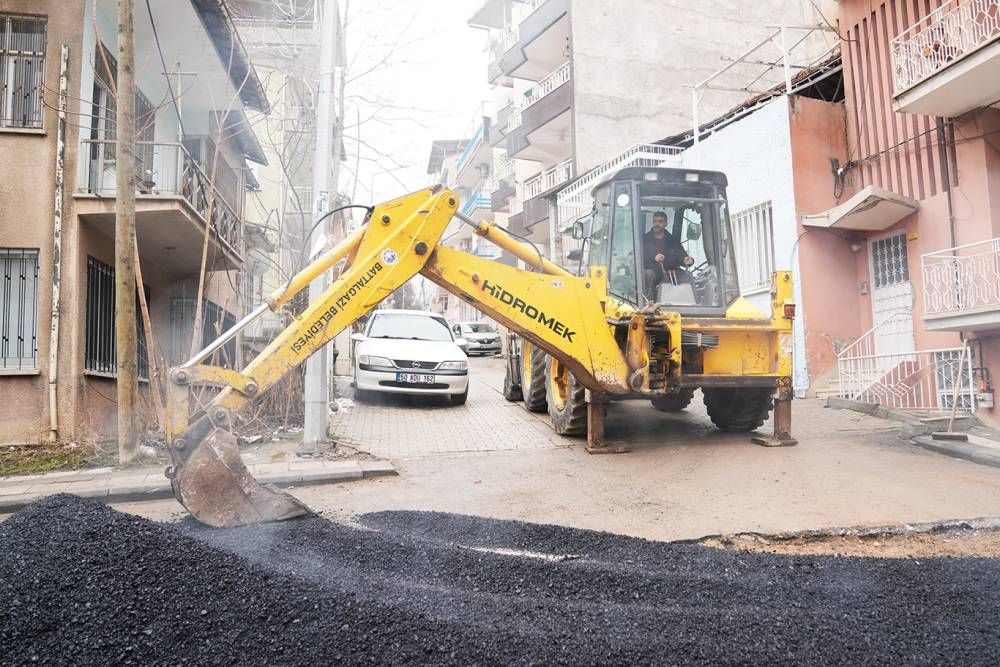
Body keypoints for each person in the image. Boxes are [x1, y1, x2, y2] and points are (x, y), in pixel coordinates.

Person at [642, 211, 694, 297]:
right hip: (652, 272)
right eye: (655, 221)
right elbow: (638, 257)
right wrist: (654, 257)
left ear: (666, 223)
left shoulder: (672, 240)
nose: (657, 224)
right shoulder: (644, 239)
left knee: (688, 276)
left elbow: (680, 254)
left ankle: (690, 303)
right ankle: (648, 302)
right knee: (648, 274)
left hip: (669, 272)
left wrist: (687, 260)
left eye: (660, 221)